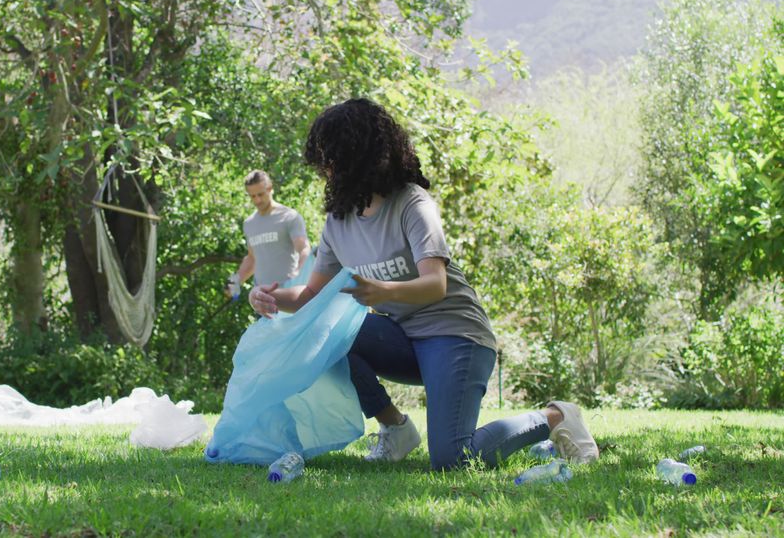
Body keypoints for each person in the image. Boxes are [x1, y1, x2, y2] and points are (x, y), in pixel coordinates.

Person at [249, 99, 599, 470]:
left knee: (452, 459)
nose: (327, 169)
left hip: (456, 335)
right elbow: (311, 296)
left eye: (333, 158)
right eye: (324, 161)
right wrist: (269, 297)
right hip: (402, 339)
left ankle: (555, 417)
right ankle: (395, 428)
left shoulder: (413, 204)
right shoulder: (339, 222)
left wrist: (383, 292)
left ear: (360, 155)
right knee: (326, 330)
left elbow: (435, 284)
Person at [225, 170, 311, 299]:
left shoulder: (289, 217)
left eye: (260, 194)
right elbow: (252, 258)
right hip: (262, 298)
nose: (257, 200)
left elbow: (304, 248)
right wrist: (234, 283)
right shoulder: (249, 223)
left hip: (289, 295)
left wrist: (300, 275)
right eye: (252, 196)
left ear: (270, 189)